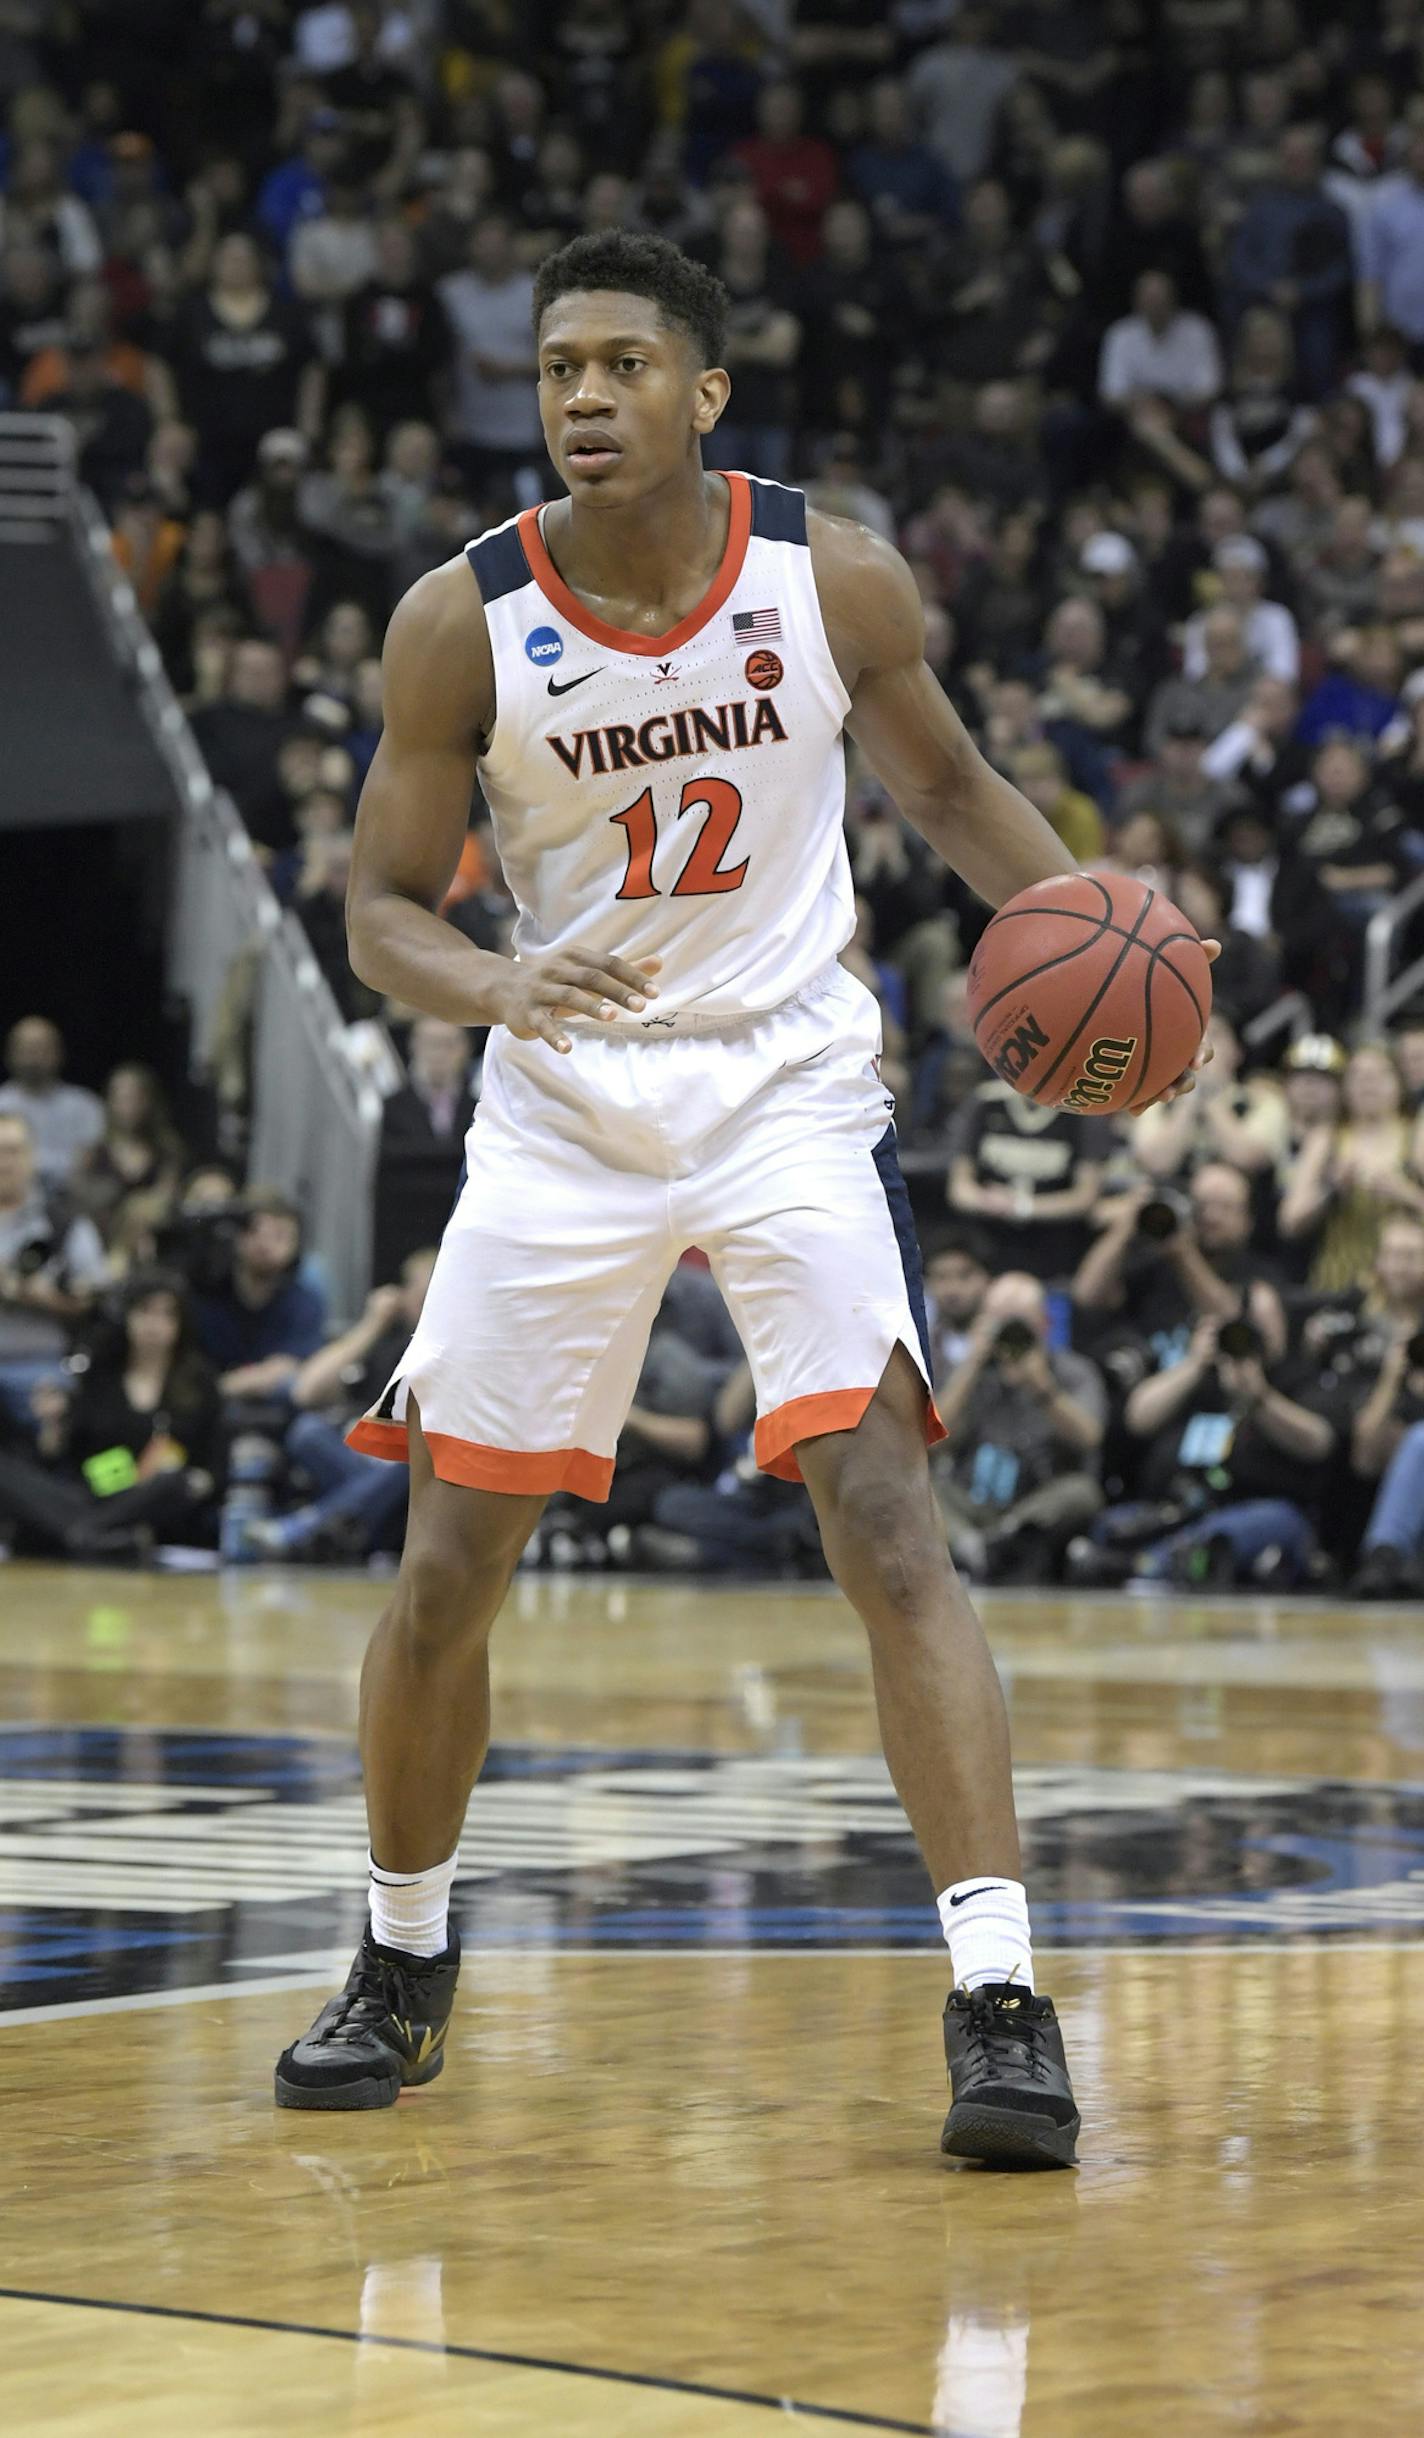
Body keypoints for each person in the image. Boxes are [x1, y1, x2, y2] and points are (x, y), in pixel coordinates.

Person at [274, 229, 1209, 2158]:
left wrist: (1110, 961)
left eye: (624, 363)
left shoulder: (826, 573)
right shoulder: (459, 623)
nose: (583, 397)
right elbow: (372, 910)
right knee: (449, 1567)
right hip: (563, 1099)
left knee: (881, 1509)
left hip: (783, 1079)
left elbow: (948, 793)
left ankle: (997, 1997)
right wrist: (495, 977)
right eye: (557, 369)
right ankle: (399, 1952)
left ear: (706, 393)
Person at [0, 1267, 221, 1562]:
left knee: (174, 1482)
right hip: (93, 1493)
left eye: (167, 1314)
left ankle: (81, 1535)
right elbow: (60, 1456)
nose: (155, 1325)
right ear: (127, 1316)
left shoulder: (200, 1382)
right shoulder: (100, 1373)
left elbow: (214, 1463)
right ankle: (97, 1535)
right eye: (146, 1312)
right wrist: (53, 1424)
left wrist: (199, 1482)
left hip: (152, 1500)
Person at [242, 1249, 436, 1562]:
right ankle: (349, 1526)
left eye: (430, 1290)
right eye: (416, 1289)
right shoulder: (386, 1343)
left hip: (415, 1476)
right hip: (370, 1463)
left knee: (412, 1460)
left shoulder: (456, 1350)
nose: (421, 1298)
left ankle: (307, 1525)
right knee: (308, 1432)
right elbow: (306, 1391)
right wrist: (371, 1324)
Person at [929, 1272, 1106, 1585]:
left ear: (1043, 1323)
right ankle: (971, 1546)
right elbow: (936, 1440)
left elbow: (1089, 1437)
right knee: (921, 1484)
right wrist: (971, 1365)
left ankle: (998, 1542)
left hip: (1033, 1504)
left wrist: (1043, 1389)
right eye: (1001, 1323)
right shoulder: (972, 1373)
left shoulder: (1072, 1371)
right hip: (970, 1501)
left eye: (1019, 1323)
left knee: (1081, 1491)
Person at [1278, 1042, 1424, 1292]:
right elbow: (1289, 1222)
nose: (1368, 1084)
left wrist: (1404, 1193)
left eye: (1379, 1075)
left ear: (1399, 1084)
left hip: (1408, 1286)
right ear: (1345, 1088)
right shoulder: (1327, 1138)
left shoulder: (1416, 1136)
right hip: (1340, 1282)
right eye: (1358, 1076)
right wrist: (1332, 1188)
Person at [0, 1110, 111, 1426]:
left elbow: (96, 1300)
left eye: (13, 1151)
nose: (4, 1163)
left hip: (40, 1364)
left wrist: (36, 1295)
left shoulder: (63, 1223)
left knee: (60, 1420)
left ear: (32, 1157)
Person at [192, 1190, 327, 1403]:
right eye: (254, 1231)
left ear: (295, 1245)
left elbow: (288, 1368)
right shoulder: (207, 1295)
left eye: (280, 1235)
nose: (265, 1244)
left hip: (276, 1410)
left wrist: (227, 1384)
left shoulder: (304, 1302)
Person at [0, 1017, 104, 1188]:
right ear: (10, 1054)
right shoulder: (2, 1104)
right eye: (26, 1049)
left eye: (41, 1049)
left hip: (71, 1202)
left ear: (59, 1053)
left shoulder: (85, 1106)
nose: (33, 1058)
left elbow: (92, 1164)